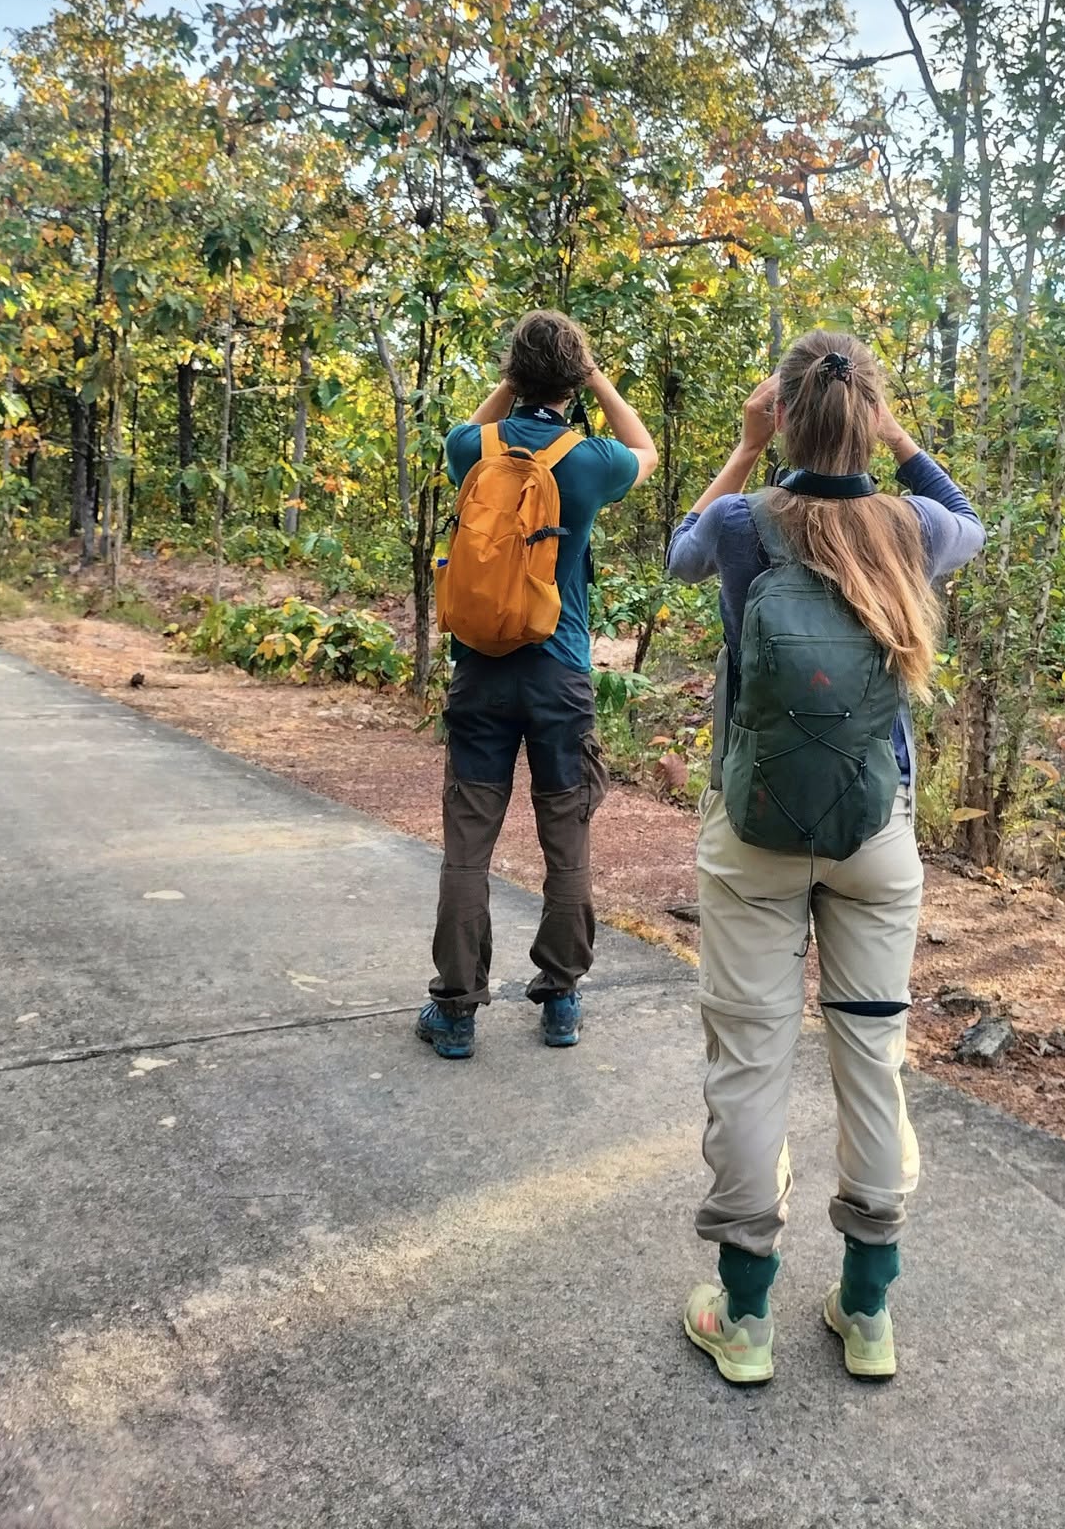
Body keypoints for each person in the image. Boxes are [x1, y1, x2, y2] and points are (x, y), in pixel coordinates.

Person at [667, 329, 983, 1385]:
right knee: (872, 1060)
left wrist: (748, 446)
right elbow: (974, 521)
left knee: (751, 1059)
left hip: (751, 831)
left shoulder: (745, 528)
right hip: (874, 834)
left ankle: (746, 1317)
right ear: (866, 416)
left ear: (785, 412)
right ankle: (868, 1307)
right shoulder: (913, 527)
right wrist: (900, 440)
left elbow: (678, 547)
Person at [415, 310, 657, 1058]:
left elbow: (465, 429)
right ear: (575, 378)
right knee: (566, 842)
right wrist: (596, 379)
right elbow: (646, 447)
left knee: (468, 849)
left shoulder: (471, 449)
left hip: (479, 676)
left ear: (513, 375)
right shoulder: (591, 461)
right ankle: (560, 1000)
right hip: (559, 678)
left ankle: (456, 1011)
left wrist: (511, 385)